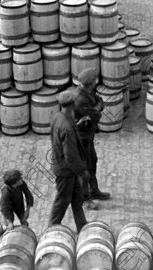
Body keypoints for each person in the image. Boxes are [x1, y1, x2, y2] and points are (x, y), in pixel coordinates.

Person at [48, 90, 88, 233]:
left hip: (63, 166)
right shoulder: (67, 127)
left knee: (77, 198)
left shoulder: (57, 117)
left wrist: (77, 124)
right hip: (66, 170)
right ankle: (51, 229)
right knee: (62, 201)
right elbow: (70, 156)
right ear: (73, 104)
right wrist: (82, 171)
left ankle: (82, 226)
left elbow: (63, 133)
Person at [73, 69, 111, 204]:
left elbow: (100, 100)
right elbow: (96, 116)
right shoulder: (80, 99)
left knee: (92, 161)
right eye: (95, 79)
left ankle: (94, 190)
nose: (96, 81)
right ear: (90, 82)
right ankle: (85, 196)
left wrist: (97, 106)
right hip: (82, 137)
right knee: (84, 166)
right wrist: (98, 108)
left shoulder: (88, 92)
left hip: (88, 135)